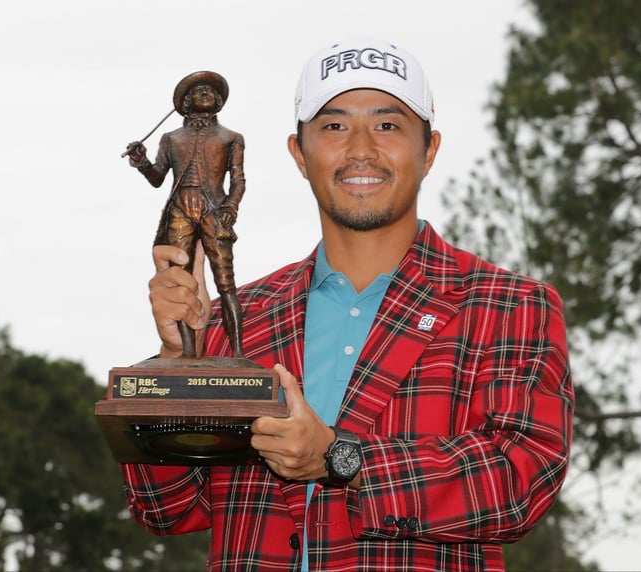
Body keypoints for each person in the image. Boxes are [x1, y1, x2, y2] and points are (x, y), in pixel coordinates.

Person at [121, 37, 574, 571]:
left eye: (387, 125)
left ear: (428, 150)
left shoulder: (510, 306)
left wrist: (341, 458)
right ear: (299, 153)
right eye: (334, 126)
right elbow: (167, 510)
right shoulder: (237, 319)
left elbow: (518, 481)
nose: (361, 149)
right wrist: (178, 362)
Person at [122, 70, 247, 358]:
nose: (205, 93)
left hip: (214, 209)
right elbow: (157, 178)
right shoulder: (170, 138)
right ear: (186, 102)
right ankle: (188, 354)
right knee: (182, 281)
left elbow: (238, 180)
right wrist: (141, 162)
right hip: (180, 208)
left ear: (218, 103)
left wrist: (231, 205)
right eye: (197, 90)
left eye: (211, 91)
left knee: (226, 281)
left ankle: (239, 355)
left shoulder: (231, 138)